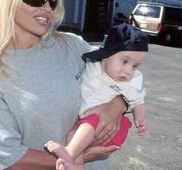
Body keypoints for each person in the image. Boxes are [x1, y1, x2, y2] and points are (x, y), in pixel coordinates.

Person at [0, 0, 127, 170]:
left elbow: (124, 73)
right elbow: (9, 156)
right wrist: (79, 156)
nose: (47, 8)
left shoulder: (72, 46)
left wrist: (117, 103)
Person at [45, 23, 149, 170]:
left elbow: (138, 100)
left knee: (88, 124)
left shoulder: (132, 80)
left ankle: (69, 153)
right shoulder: (93, 65)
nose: (128, 70)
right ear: (106, 57)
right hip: (86, 125)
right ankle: (77, 166)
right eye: (125, 61)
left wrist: (140, 118)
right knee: (72, 136)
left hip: (109, 128)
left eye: (135, 66)